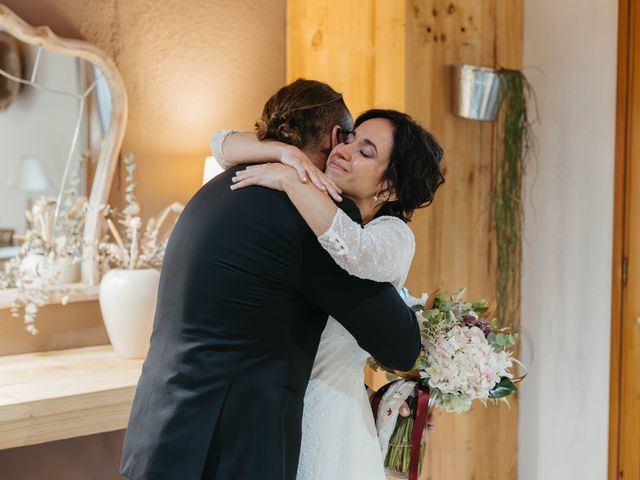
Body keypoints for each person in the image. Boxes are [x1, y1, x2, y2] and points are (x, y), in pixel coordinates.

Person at [119, 79, 422, 480]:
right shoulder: (313, 219)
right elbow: (400, 345)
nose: (347, 152)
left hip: (158, 431)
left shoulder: (220, 186)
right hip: (230, 448)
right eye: (351, 141)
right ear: (335, 138)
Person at [214, 104, 444, 477]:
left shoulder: (393, 236)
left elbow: (353, 250)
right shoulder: (310, 206)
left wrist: (293, 180)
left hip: (332, 421)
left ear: (389, 187)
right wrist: (284, 152)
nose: (344, 150)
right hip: (273, 419)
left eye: (365, 151)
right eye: (350, 139)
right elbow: (220, 144)